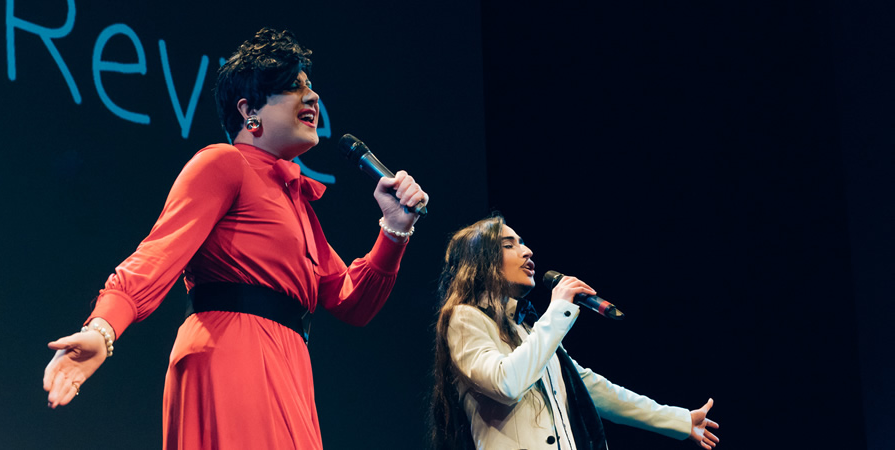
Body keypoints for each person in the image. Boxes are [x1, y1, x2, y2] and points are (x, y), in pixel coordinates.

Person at [42, 27, 428, 449]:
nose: (312, 97)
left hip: (288, 363)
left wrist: (395, 229)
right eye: (294, 87)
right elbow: (156, 256)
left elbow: (353, 302)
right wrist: (102, 330)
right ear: (249, 111)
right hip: (232, 353)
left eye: (311, 86)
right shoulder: (225, 163)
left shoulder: (296, 201)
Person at [430, 216, 718, 450]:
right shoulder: (464, 318)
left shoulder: (529, 328)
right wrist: (557, 311)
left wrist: (677, 419)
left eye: (523, 243)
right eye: (509, 245)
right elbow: (507, 384)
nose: (527, 251)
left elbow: (590, 387)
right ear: (481, 262)